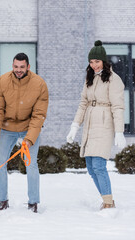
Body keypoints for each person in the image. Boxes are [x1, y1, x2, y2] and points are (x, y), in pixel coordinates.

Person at [66, 40, 126, 210]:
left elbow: (118, 106)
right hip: (90, 125)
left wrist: (119, 131)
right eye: (91, 62)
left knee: (99, 166)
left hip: (105, 123)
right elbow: (83, 103)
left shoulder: (114, 80)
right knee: (91, 169)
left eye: (97, 61)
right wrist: (75, 126)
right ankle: (107, 200)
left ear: (104, 61)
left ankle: (108, 203)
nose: (94, 65)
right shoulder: (90, 78)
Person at [0, 53, 49, 213]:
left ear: (28, 67)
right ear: (12, 66)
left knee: (31, 164)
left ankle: (33, 202)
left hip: (29, 127)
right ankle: (2, 200)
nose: (18, 70)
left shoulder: (39, 84)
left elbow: (39, 115)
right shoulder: (2, 82)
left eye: (22, 67)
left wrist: (30, 138)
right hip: (6, 128)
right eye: (16, 67)